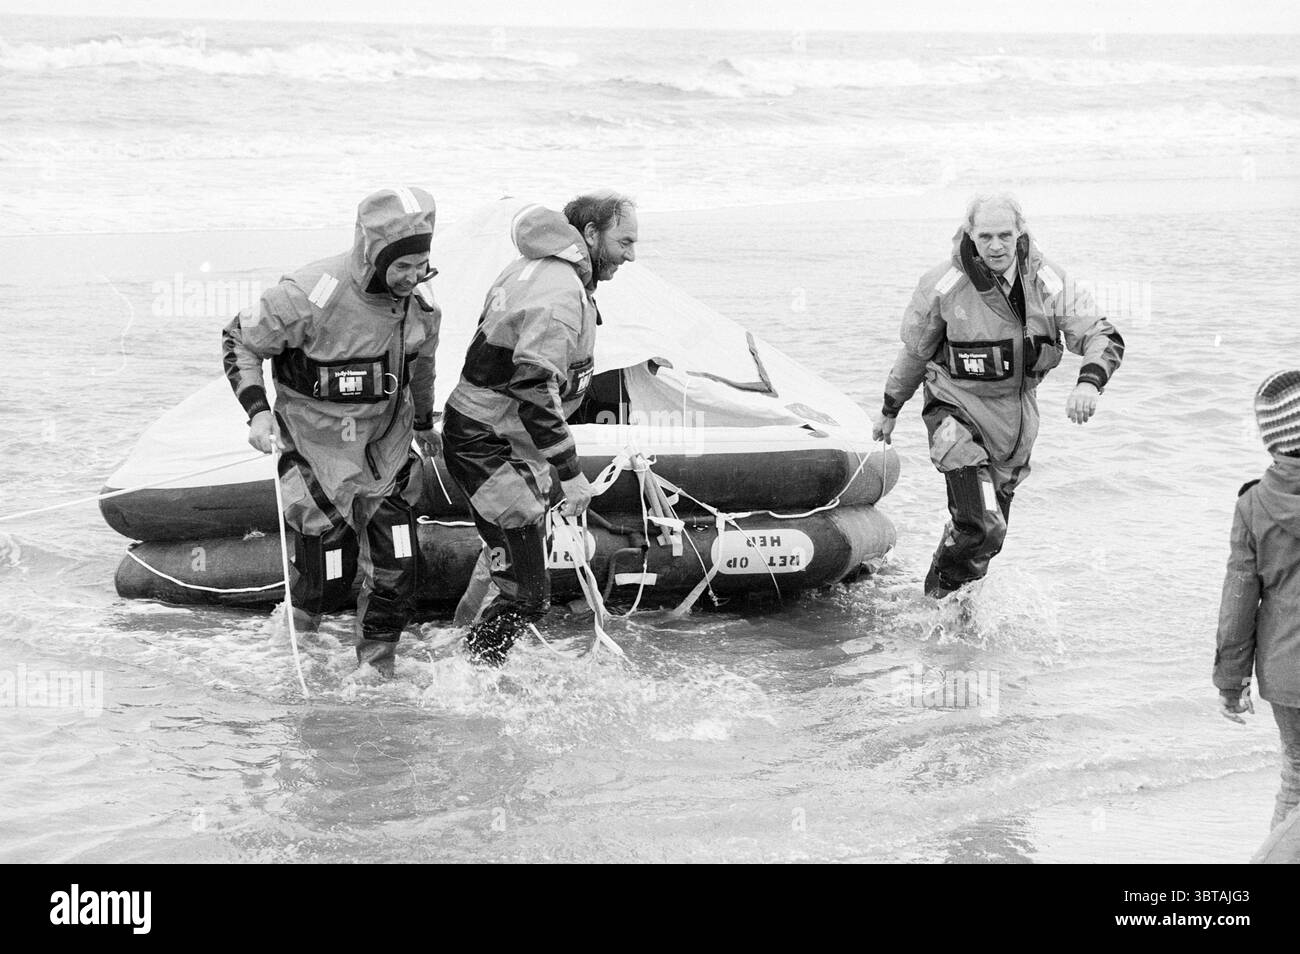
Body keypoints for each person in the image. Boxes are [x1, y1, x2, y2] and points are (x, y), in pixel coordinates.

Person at [221, 187, 442, 676]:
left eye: (420, 264)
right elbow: (240, 339)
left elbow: (420, 367)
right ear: (370, 252)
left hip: (385, 447)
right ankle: (295, 642)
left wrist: (424, 423)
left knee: (399, 565)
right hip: (314, 445)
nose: (411, 277)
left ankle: (377, 671)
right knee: (327, 574)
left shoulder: (420, 301)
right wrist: (257, 413)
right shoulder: (308, 293)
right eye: (399, 266)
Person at [872, 193, 1125, 597]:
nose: (995, 246)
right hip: (954, 414)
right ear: (970, 234)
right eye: (985, 236)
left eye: (1004, 235)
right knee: (981, 522)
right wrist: (890, 407)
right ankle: (936, 607)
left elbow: (1103, 335)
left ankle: (950, 614)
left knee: (990, 537)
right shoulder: (944, 284)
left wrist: (1088, 383)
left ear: (1019, 231)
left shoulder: (1046, 281)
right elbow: (915, 352)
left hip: (1013, 429)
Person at [442, 192, 638, 665]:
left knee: (503, 562)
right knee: (530, 596)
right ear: (590, 235)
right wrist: (570, 473)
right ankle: (475, 676)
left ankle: (457, 645)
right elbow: (532, 386)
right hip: (486, 447)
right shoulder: (559, 294)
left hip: (497, 439)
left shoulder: (537, 271)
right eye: (624, 241)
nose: (631, 254)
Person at [1215, 369, 1300, 830]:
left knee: (1296, 781)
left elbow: (1239, 604)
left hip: (1289, 674)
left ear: (1271, 440)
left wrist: (1231, 682)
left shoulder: (1253, 504)